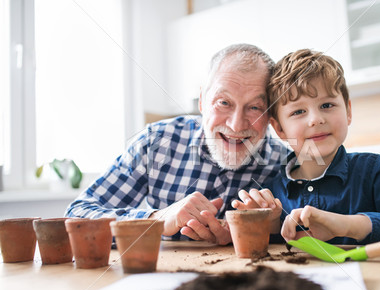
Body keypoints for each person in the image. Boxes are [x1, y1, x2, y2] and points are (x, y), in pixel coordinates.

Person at [65, 44, 288, 245]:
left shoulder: (285, 164)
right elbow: (75, 219)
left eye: (255, 107)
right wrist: (158, 219)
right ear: (202, 101)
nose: (236, 125)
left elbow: (309, 235)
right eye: (223, 103)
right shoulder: (156, 142)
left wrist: (266, 230)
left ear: (270, 114)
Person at [232, 48, 380, 246]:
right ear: (279, 128)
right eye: (298, 112)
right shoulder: (271, 191)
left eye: (327, 105)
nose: (316, 119)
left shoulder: (374, 172)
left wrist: (350, 225)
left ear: (348, 111)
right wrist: (268, 226)